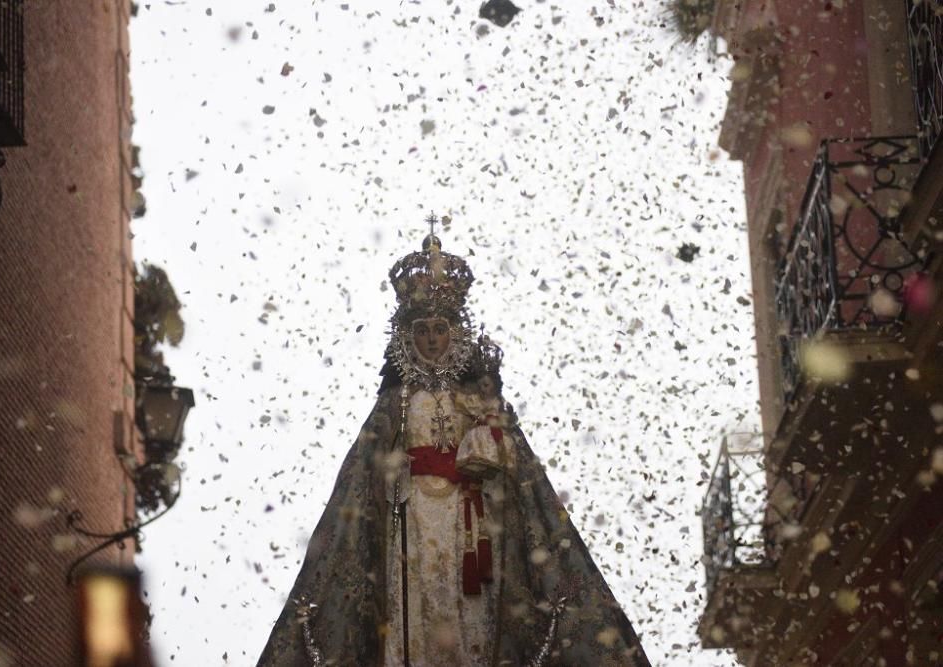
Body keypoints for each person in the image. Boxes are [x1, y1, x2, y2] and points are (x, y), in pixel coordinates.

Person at [256, 232, 649, 666]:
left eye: (439, 329)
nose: (430, 340)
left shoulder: (478, 397)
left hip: (472, 527)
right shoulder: (395, 401)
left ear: (454, 332)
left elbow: (514, 466)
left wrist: (487, 442)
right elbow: (362, 472)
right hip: (411, 524)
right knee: (416, 607)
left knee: (471, 616)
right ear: (407, 336)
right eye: (421, 331)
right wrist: (393, 470)